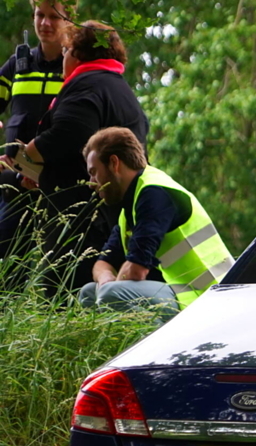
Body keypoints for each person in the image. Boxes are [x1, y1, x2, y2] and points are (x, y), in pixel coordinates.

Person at [20, 20, 149, 296]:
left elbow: (67, 136)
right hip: (112, 213)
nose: (63, 58)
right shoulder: (116, 86)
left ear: (78, 54)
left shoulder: (87, 86)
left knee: (65, 292)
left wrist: (28, 152)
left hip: (82, 220)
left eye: (66, 51)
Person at [79, 127, 233, 319]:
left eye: (94, 172)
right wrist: (105, 279)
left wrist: (109, 287)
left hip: (206, 297)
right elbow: (102, 263)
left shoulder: (155, 193)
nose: (91, 183)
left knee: (112, 295)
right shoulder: (130, 208)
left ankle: (159, 340)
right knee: (89, 293)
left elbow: (136, 270)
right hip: (179, 292)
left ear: (114, 163)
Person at [0, 1, 71, 280]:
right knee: (8, 269)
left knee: (60, 274)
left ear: (69, 20)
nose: (45, 23)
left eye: (55, 17)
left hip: (61, 185)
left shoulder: (76, 66)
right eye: (40, 15)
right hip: (15, 185)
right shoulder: (18, 64)